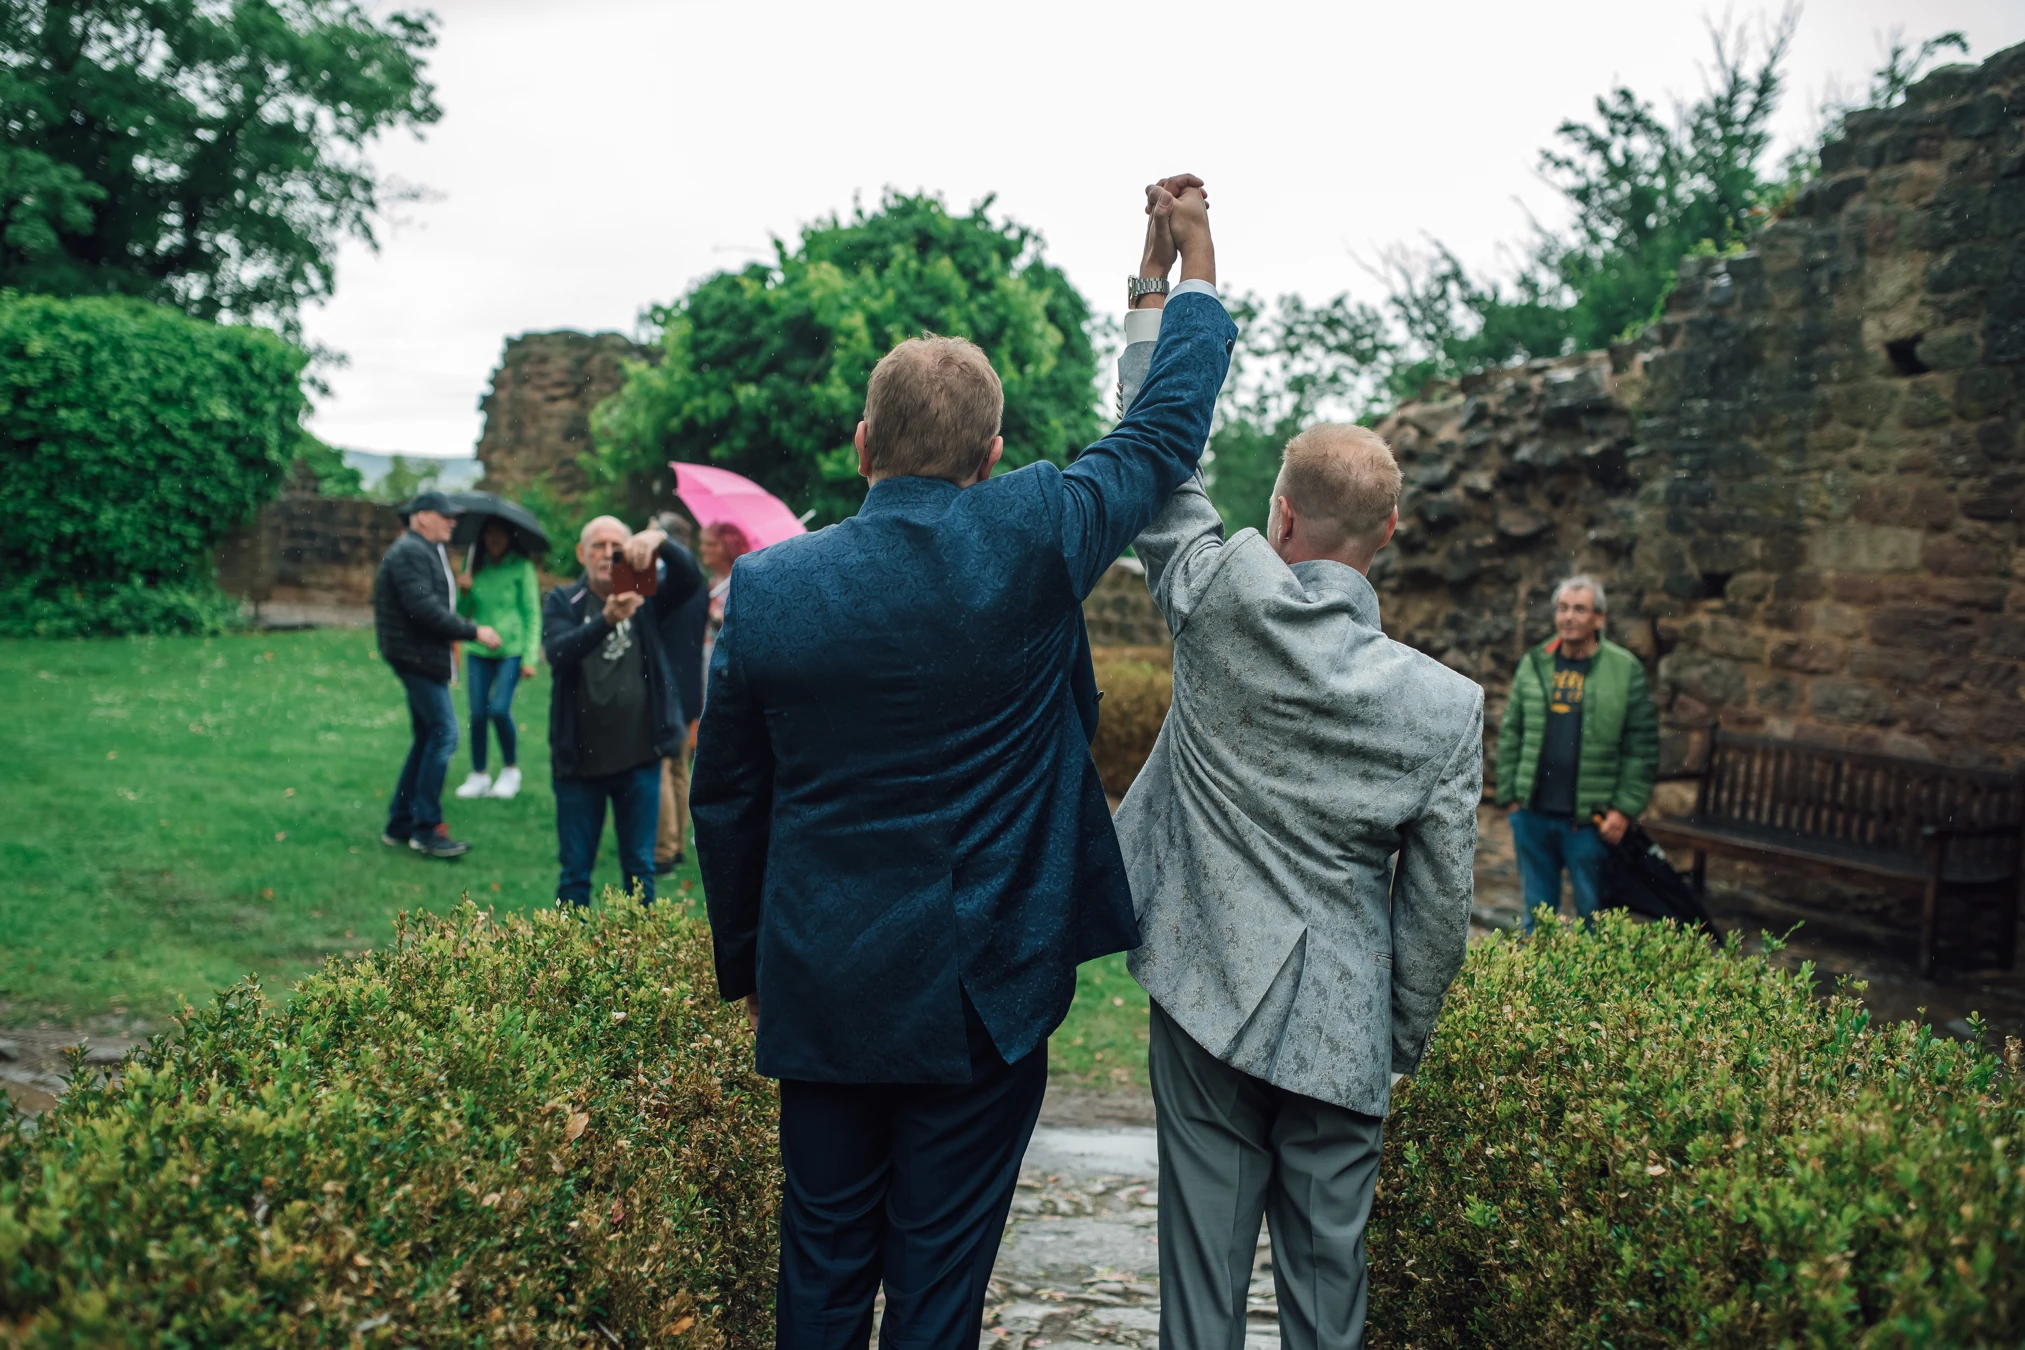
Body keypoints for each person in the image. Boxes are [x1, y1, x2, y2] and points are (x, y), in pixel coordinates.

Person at [692, 176, 1232, 1350]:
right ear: (990, 454)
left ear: (861, 445)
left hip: (824, 986)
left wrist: (752, 963)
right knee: (940, 1290)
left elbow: (727, 797)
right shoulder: (1033, 530)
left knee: (821, 1266)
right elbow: (1160, 432)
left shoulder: (770, 589)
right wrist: (1181, 278)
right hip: (986, 990)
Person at [1113, 245, 1483, 1348]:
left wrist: (1166, 290)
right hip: (1343, 1032)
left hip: (1205, 997)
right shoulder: (1446, 708)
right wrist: (1392, 1036)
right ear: (1390, 535)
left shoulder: (1223, 593)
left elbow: (1152, 459)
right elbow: (1438, 904)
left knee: (1201, 1300)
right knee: (1330, 1316)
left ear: (1280, 519)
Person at [542, 515, 704, 907]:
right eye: (597, 545)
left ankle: (638, 961)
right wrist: (606, 620)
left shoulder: (639, 591)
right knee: (575, 873)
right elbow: (558, 653)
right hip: (579, 765)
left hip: (639, 760)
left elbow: (690, 581)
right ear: (582, 553)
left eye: (617, 545)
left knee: (639, 870)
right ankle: (567, 963)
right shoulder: (565, 600)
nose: (607, 553)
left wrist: (660, 540)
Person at [1495, 575, 1660, 932]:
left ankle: (1588, 987)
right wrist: (1511, 796)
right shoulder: (1535, 662)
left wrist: (1624, 809)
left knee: (1594, 921)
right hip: (1533, 814)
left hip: (1591, 821)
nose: (1569, 617)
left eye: (1580, 609)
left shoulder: (1624, 669)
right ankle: (1530, 986)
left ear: (1599, 618)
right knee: (1536, 920)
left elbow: (1641, 745)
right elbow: (1512, 732)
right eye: (1563, 608)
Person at [371, 490, 502, 858]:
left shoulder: (429, 550)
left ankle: (400, 823)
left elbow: (435, 601)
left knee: (427, 737)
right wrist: (474, 630)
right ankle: (426, 829)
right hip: (417, 659)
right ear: (421, 516)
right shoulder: (410, 551)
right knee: (444, 734)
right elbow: (422, 609)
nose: (452, 522)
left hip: (423, 657)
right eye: (444, 516)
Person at [453, 517, 542, 801]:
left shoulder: (521, 567)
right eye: (489, 534)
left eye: (500, 534)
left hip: (512, 650)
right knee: (478, 713)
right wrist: (463, 591)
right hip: (479, 651)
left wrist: (530, 657)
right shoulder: (475, 568)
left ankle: (510, 770)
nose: (494, 539)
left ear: (509, 537)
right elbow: (462, 613)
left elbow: (531, 613)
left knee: (499, 710)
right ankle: (478, 774)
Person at [651, 511, 710, 875]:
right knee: (678, 768)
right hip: (690, 684)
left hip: (667, 684)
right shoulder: (699, 583)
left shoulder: (670, 581)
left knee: (660, 764)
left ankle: (663, 851)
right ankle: (676, 843)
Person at [697, 520, 749, 675]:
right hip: (707, 662)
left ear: (729, 548)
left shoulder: (740, 583)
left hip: (729, 668)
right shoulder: (711, 583)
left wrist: (720, 621)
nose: (702, 548)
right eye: (703, 543)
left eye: (710, 544)